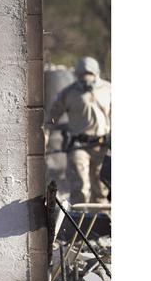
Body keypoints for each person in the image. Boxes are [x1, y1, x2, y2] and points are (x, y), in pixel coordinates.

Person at [48, 56, 111, 204]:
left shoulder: (109, 90)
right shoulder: (69, 93)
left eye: (89, 74)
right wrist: (46, 131)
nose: (85, 79)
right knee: (80, 188)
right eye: (82, 75)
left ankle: (101, 221)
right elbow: (54, 114)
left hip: (101, 145)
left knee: (101, 188)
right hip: (79, 145)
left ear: (96, 74)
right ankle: (79, 220)